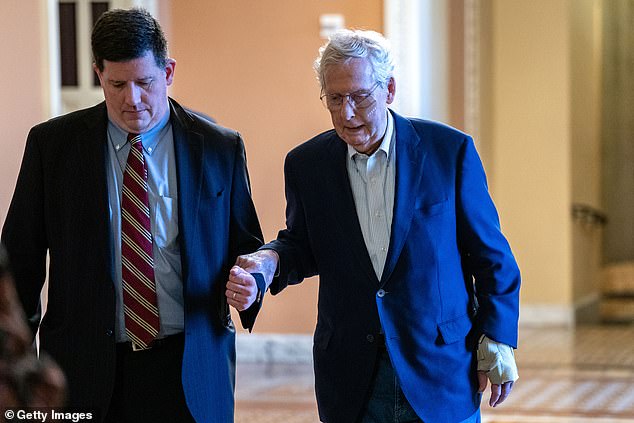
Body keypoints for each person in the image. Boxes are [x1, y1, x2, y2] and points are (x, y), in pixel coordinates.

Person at [226, 29, 520, 423]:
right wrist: (268, 262)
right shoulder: (306, 165)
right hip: (351, 377)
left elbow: (491, 256)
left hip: (439, 369)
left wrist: (497, 339)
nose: (346, 113)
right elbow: (302, 244)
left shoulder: (449, 152)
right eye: (334, 99)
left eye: (360, 96)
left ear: (390, 89)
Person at [2, 8, 264, 423]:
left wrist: (251, 285)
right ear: (98, 74)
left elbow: (246, 245)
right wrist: (12, 365)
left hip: (190, 364)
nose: (132, 99)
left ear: (169, 71)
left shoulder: (218, 147)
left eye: (145, 83)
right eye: (117, 84)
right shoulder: (52, 147)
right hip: (83, 367)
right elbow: (20, 261)